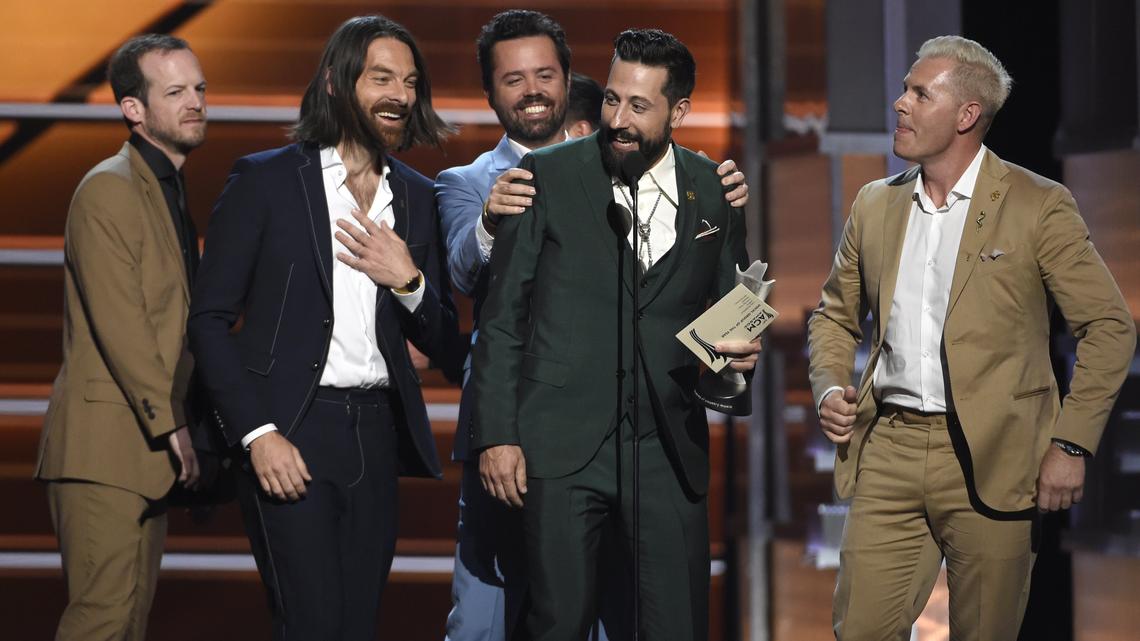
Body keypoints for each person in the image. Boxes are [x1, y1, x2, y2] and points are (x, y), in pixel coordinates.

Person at [807, 35, 1135, 640]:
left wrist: (1071, 444)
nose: (900, 104)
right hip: (890, 447)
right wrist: (829, 387)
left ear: (966, 115)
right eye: (904, 90)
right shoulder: (875, 204)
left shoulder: (1038, 204)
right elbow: (833, 315)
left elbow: (1110, 327)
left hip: (999, 453)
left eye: (919, 94)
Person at [436, 12, 751, 641]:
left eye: (639, 105)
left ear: (679, 112)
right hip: (560, 445)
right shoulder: (545, 177)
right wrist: (498, 435)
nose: (618, 119)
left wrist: (733, 368)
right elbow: (501, 320)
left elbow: (730, 313)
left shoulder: (714, 190)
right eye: (611, 98)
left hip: (666, 448)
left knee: (677, 625)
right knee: (557, 623)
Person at [187, 15, 458, 640]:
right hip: (291, 429)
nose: (400, 95)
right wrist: (257, 435)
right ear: (336, 82)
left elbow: (445, 343)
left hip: (377, 436)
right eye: (382, 78)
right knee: (311, 624)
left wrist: (409, 282)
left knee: (357, 626)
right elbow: (208, 321)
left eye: (410, 82)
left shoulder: (418, 197)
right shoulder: (266, 181)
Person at [35, 33, 206, 641]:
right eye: (175, 92)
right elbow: (122, 324)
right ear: (133, 108)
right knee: (102, 621)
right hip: (105, 447)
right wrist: (173, 424)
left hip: (145, 451)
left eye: (199, 89)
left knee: (127, 623)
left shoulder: (166, 190)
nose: (195, 102)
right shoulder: (109, 188)